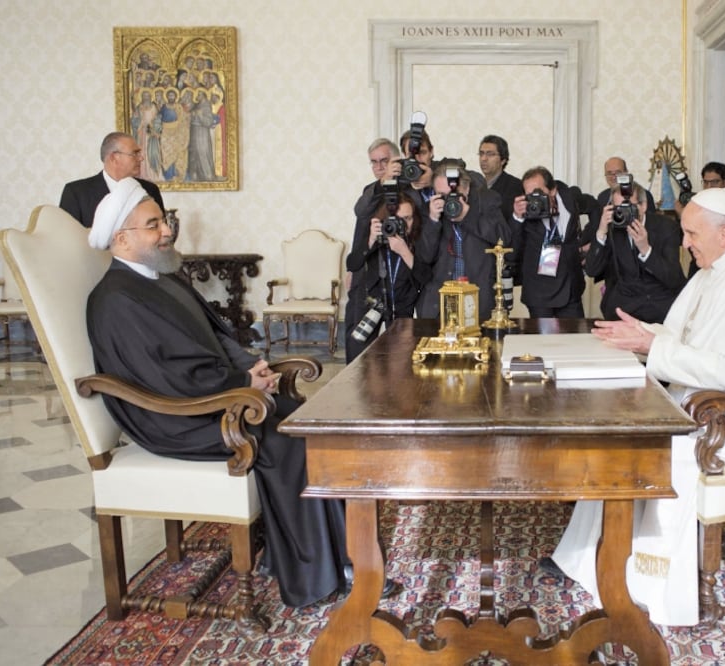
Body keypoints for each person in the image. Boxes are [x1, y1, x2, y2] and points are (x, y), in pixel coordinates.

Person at [544, 188, 725, 625]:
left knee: (652, 447)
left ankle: (647, 582)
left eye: (691, 233)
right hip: (718, 404)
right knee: (621, 428)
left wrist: (651, 345)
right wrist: (642, 333)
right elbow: (683, 337)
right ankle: (586, 556)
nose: (684, 243)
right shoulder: (716, 269)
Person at [85, 178, 350, 607]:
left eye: (164, 221)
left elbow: (216, 335)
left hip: (206, 397)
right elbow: (163, 376)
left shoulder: (162, 277)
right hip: (174, 417)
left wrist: (250, 366)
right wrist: (241, 386)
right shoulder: (115, 298)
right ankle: (315, 575)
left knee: (307, 425)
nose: (167, 231)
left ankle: (327, 556)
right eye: (154, 225)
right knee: (285, 443)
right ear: (123, 238)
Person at [416, 162, 510, 320]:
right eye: (442, 194)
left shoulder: (486, 200)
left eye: (453, 193)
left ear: (466, 188)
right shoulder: (430, 208)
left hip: (478, 298)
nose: (448, 200)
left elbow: (503, 238)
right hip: (440, 301)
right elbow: (425, 256)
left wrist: (468, 216)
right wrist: (433, 220)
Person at [585, 179, 685, 324]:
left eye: (628, 207)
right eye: (618, 208)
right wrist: (601, 232)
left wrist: (646, 250)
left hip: (659, 307)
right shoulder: (612, 228)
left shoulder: (666, 227)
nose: (622, 212)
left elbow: (674, 279)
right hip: (623, 306)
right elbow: (592, 270)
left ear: (643, 206)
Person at [345, 191, 424, 362]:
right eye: (399, 219)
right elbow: (352, 264)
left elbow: (424, 276)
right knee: (362, 360)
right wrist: (371, 239)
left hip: (402, 304)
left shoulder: (416, 241)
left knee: (400, 361)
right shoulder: (377, 237)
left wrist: (404, 251)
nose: (404, 224)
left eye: (408, 218)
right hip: (373, 302)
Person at [509, 166, 596, 318]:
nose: (533, 199)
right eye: (528, 195)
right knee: (544, 342)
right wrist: (517, 217)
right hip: (539, 295)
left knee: (575, 339)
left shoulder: (570, 197)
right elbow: (511, 251)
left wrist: (591, 242)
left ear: (553, 190)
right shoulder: (526, 211)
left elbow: (595, 207)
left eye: (538, 193)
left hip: (571, 291)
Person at [59, 132, 165, 228]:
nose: (141, 158)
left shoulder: (150, 190)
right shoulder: (76, 193)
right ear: (114, 158)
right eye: (135, 153)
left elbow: (161, 232)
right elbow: (67, 238)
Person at [478, 135, 523, 224]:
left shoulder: (515, 186)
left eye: (490, 154)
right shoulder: (474, 185)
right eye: (481, 153)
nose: (484, 159)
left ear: (503, 160)